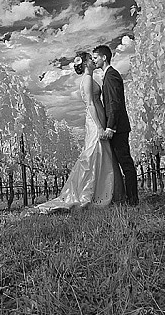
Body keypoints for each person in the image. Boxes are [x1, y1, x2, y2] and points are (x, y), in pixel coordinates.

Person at [34, 52, 117, 214]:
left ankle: (101, 190)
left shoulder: (91, 79)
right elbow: (90, 104)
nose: (93, 61)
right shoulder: (86, 80)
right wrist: (99, 127)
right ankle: (90, 193)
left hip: (98, 117)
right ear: (86, 63)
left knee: (99, 153)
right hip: (94, 120)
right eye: (90, 60)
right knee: (93, 152)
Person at [92, 44, 139, 206]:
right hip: (118, 126)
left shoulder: (111, 76)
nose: (94, 60)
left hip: (118, 128)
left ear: (104, 57)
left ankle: (133, 201)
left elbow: (114, 103)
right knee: (123, 162)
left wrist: (111, 127)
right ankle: (128, 198)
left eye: (96, 57)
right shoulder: (109, 75)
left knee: (126, 163)